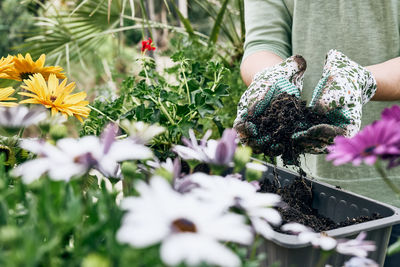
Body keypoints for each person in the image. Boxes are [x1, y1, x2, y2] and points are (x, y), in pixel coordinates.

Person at [238, 1, 400, 266]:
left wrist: (361, 79)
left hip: (393, 193)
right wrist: (270, 78)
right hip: (300, 194)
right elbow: (263, 42)